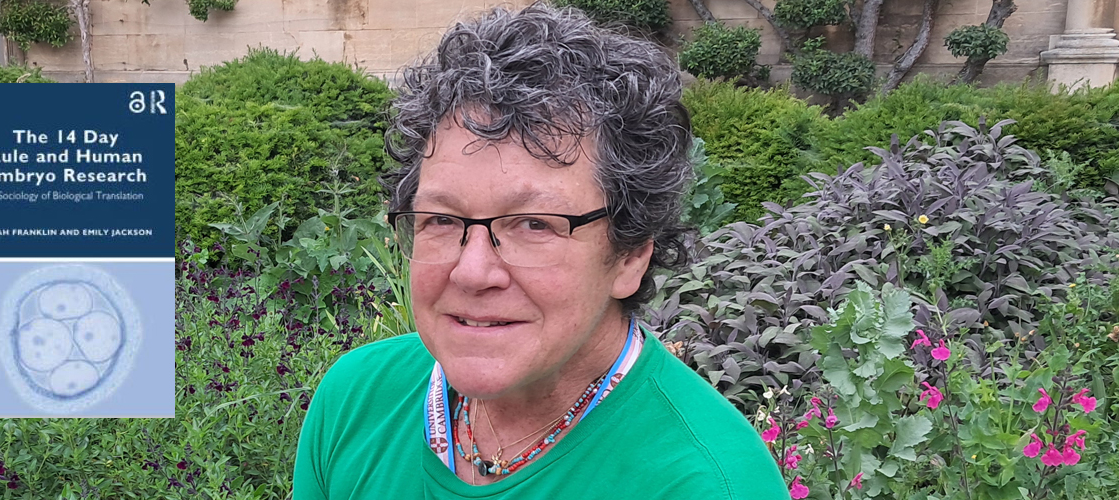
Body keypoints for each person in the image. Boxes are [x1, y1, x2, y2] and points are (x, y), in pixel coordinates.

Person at [291, 4, 788, 498]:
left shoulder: (704, 483)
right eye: (442, 219)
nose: (472, 271)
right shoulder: (357, 400)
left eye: (533, 224)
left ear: (631, 253)